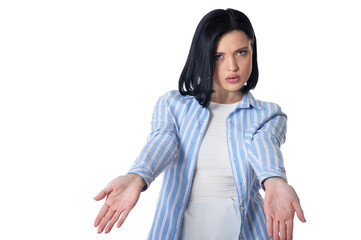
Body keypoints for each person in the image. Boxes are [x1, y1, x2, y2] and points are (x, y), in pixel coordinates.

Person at [94, 8, 306, 240]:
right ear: (203, 56)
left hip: (244, 231)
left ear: (253, 51)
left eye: (241, 52)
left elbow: (264, 144)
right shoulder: (173, 104)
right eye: (219, 56)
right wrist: (136, 176)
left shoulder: (268, 114)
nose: (232, 66)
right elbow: (163, 140)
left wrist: (275, 180)